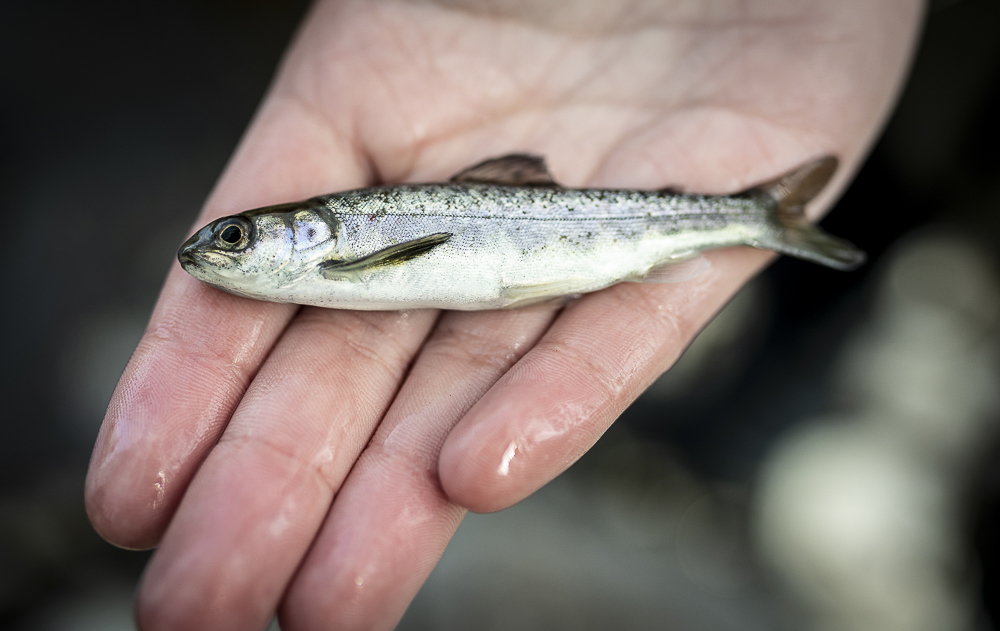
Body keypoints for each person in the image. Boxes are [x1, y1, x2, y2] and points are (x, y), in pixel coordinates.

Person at [84, 1, 924, 628]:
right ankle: (743, 326)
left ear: (304, 235)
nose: (219, 251)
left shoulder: (341, 247)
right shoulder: (324, 255)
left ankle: (761, 224)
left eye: (237, 238)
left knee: (817, 308)